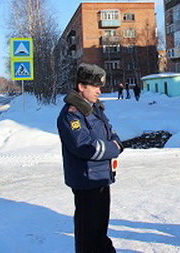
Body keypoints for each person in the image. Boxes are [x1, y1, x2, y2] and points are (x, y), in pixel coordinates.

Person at [57, 63, 123, 253]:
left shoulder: (95, 109)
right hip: (86, 180)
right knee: (88, 232)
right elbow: (84, 147)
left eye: (99, 87)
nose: (99, 91)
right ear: (81, 87)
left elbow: (111, 132)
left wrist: (115, 143)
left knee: (100, 227)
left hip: (101, 177)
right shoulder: (72, 114)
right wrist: (114, 148)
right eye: (95, 87)